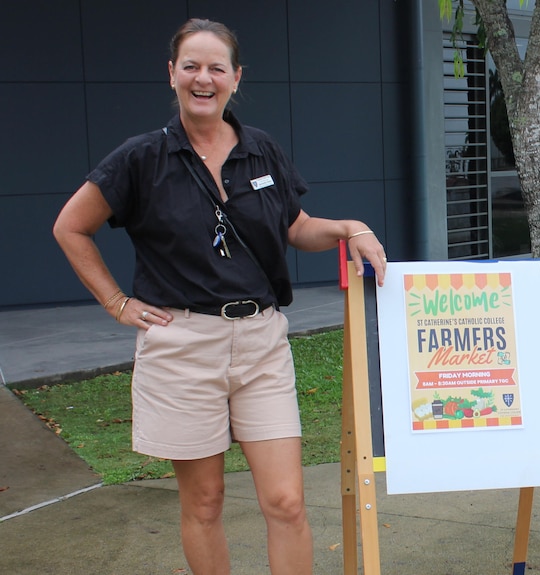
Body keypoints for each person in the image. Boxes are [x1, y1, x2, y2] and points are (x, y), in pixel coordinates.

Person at [53, 18, 386, 575]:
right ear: (172, 75)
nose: (202, 78)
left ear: (235, 77)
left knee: (286, 502)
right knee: (204, 503)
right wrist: (117, 302)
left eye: (215, 68)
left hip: (261, 344)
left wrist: (349, 226)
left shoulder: (261, 150)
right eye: (191, 66)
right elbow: (70, 227)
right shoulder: (141, 159)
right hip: (183, 346)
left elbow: (295, 226)